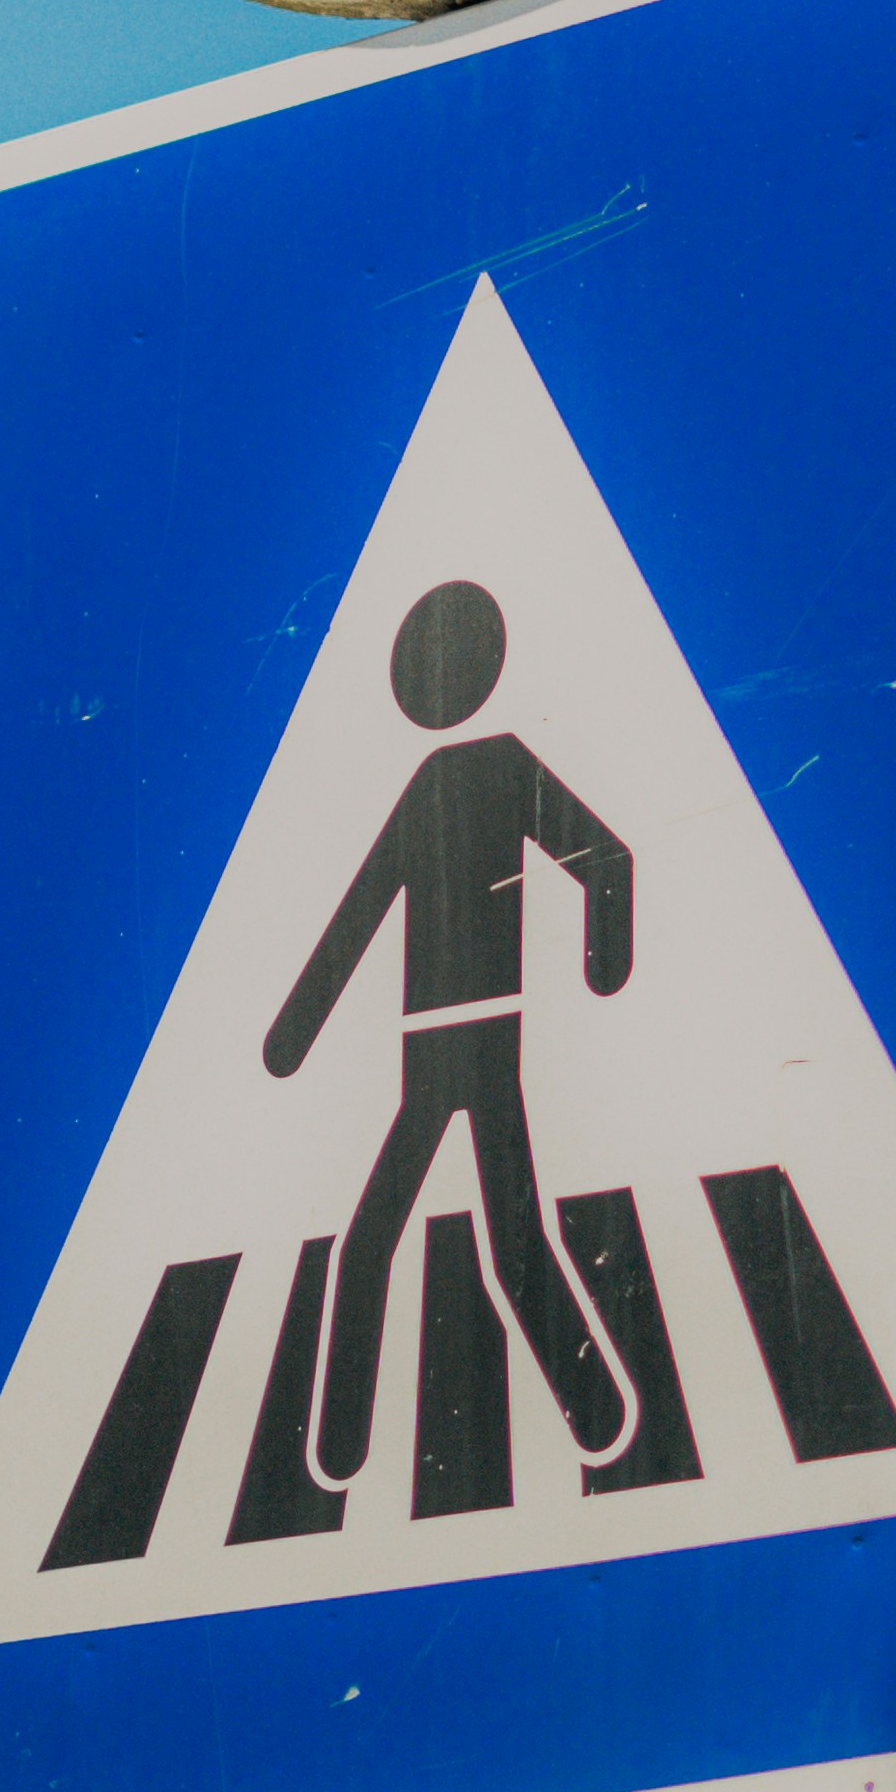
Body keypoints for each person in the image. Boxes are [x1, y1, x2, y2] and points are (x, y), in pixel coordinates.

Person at [264, 575, 634, 1480]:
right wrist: (291, 1035)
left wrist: (605, 961)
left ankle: (597, 1423)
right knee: (487, 1239)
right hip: (441, 1048)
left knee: (399, 1242)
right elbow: (363, 911)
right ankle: (590, 1418)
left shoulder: (490, 768)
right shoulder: (448, 778)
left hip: (456, 1041)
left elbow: (604, 857)